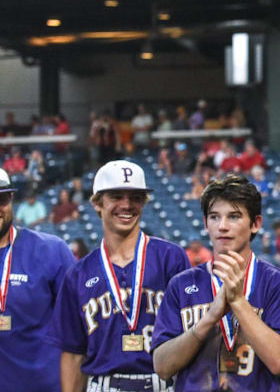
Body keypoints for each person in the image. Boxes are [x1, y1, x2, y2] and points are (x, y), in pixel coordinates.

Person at [47, 160, 190, 391]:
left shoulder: (171, 258)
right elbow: (73, 355)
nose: (127, 205)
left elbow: (192, 336)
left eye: (135, 197)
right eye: (116, 196)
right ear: (97, 204)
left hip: (162, 383)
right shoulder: (78, 274)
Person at [151, 175, 280, 391]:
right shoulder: (181, 285)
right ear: (205, 223)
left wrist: (238, 301)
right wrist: (208, 319)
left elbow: (279, 362)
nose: (222, 226)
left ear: (255, 224)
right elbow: (162, 366)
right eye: (214, 217)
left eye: (234, 216)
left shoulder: (276, 283)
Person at [0, 168, 76, 392]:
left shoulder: (51, 250)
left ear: (11, 199)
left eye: (1, 199)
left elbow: (78, 328)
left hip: (43, 385)